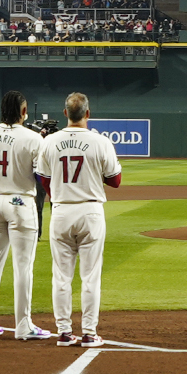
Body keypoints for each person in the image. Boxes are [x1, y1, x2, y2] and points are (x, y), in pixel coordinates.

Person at [40, 90, 124, 346]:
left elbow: (44, 179)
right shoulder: (101, 141)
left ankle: (64, 332)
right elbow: (116, 181)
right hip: (90, 212)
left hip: (61, 211)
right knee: (90, 277)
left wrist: (60, 194)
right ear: (88, 114)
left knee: (61, 276)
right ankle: (89, 332)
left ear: (65, 113)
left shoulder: (49, 142)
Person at [0, 89, 48, 340]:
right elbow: (41, 177)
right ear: (23, 111)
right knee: (23, 267)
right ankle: (23, 325)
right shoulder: (33, 139)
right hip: (21, 202)